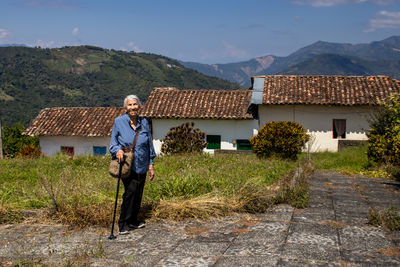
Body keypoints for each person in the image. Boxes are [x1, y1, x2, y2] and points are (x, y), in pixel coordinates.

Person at [109, 95, 156, 235]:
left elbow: (149, 144)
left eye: (135, 104)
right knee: (130, 193)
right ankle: (123, 223)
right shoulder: (119, 122)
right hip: (127, 164)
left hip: (142, 163)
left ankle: (133, 220)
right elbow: (113, 143)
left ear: (139, 106)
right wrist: (117, 150)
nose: (133, 107)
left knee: (138, 193)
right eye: (130, 105)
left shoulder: (144, 122)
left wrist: (151, 164)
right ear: (126, 107)